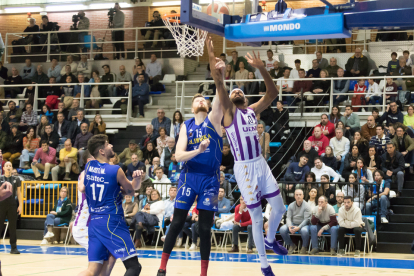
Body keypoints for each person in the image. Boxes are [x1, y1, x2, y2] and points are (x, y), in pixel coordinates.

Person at [207, 38, 287, 276]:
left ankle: (271, 239)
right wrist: (212, 59)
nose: (238, 91)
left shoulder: (251, 111)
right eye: (235, 91)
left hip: (260, 164)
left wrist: (262, 68)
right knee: (254, 214)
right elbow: (220, 85)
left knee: (279, 207)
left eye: (240, 89)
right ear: (230, 101)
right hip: (244, 168)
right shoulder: (229, 114)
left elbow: (272, 93)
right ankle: (264, 264)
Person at [157, 52, 224, 276]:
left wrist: (218, 74)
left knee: (204, 228)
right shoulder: (186, 125)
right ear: (192, 106)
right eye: (197, 100)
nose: (201, 101)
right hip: (189, 176)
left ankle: (203, 273)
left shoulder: (214, 120)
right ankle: (162, 268)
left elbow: (219, 98)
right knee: (176, 223)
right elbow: (178, 155)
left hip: (210, 179)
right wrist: (199, 150)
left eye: (203, 99)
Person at [77, 134, 143, 276]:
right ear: (101, 151)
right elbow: (131, 192)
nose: (111, 146)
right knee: (134, 267)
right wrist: (137, 179)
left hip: (94, 223)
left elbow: (82, 188)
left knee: (93, 270)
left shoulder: (89, 166)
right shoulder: (115, 170)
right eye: (108, 144)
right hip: (111, 221)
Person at [280, 189, 311, 254]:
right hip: (293, 223)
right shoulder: (291, 205)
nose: (298, 196)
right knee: (282, 229)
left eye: (300, 195)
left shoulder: (307, 206)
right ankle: (292, 245)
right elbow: (288, 218)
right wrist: (289, 226)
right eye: (297, 195)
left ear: (303, 196)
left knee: (304, 231)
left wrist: (298, 227)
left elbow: (306, 220)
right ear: (294, 196)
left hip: (303, 225)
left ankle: (304, 247)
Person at [0, 162, 22, 254]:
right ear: (4, 168)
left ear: (12, 168)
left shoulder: (16, 179)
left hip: (12, 204)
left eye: (10, 166)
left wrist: (20, 205)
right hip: (1, 204)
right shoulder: (0, 178)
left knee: (13, 226)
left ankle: (13, 248)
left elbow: (19, 193)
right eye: (7, 166)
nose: (8, 167)